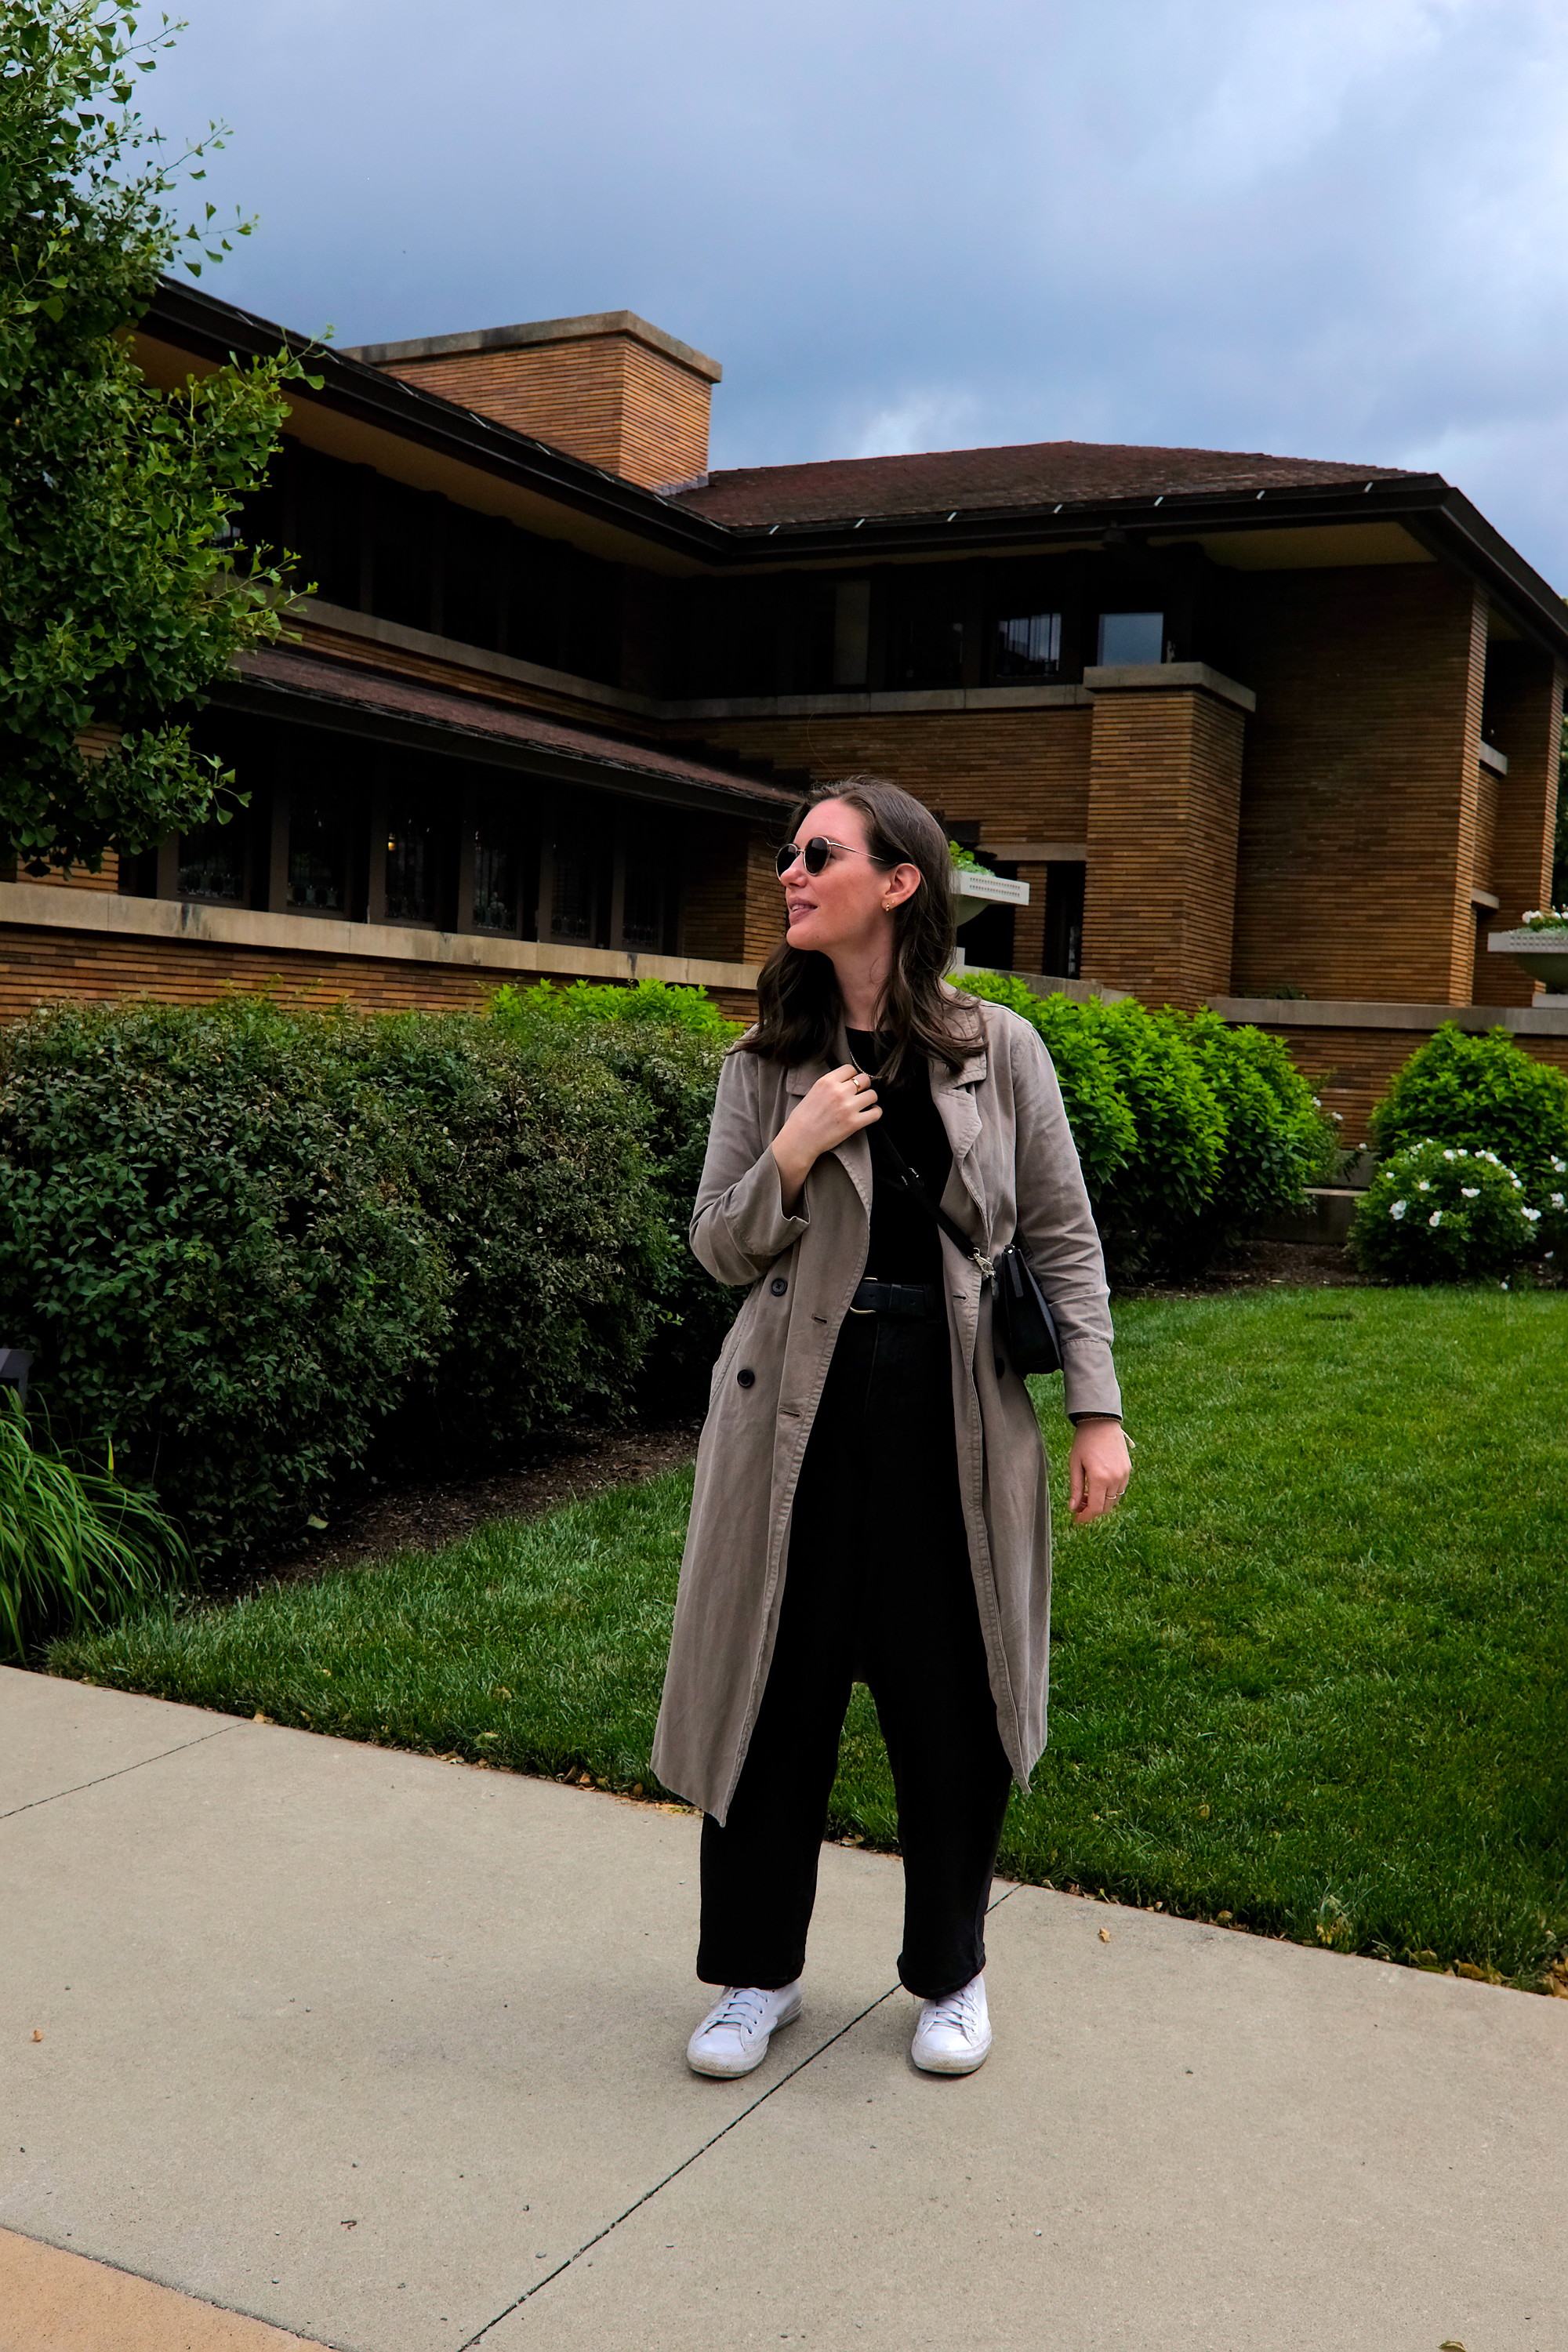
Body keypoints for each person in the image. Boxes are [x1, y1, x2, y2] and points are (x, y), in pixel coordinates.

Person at [651, 777, 1130, 2081]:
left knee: (950, 1698)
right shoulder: (764, 1062)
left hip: (954, 1405)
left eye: (818, 853)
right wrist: (793, 1151)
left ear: (900, 882)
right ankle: (757, 1974)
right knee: (774, 1685)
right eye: (787, 855)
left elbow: (1063, 1238)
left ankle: (951, 1973)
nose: (790, 874)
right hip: (797, 1413)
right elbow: (713, 1246)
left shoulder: (999, 1047)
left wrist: (1098, 1412)